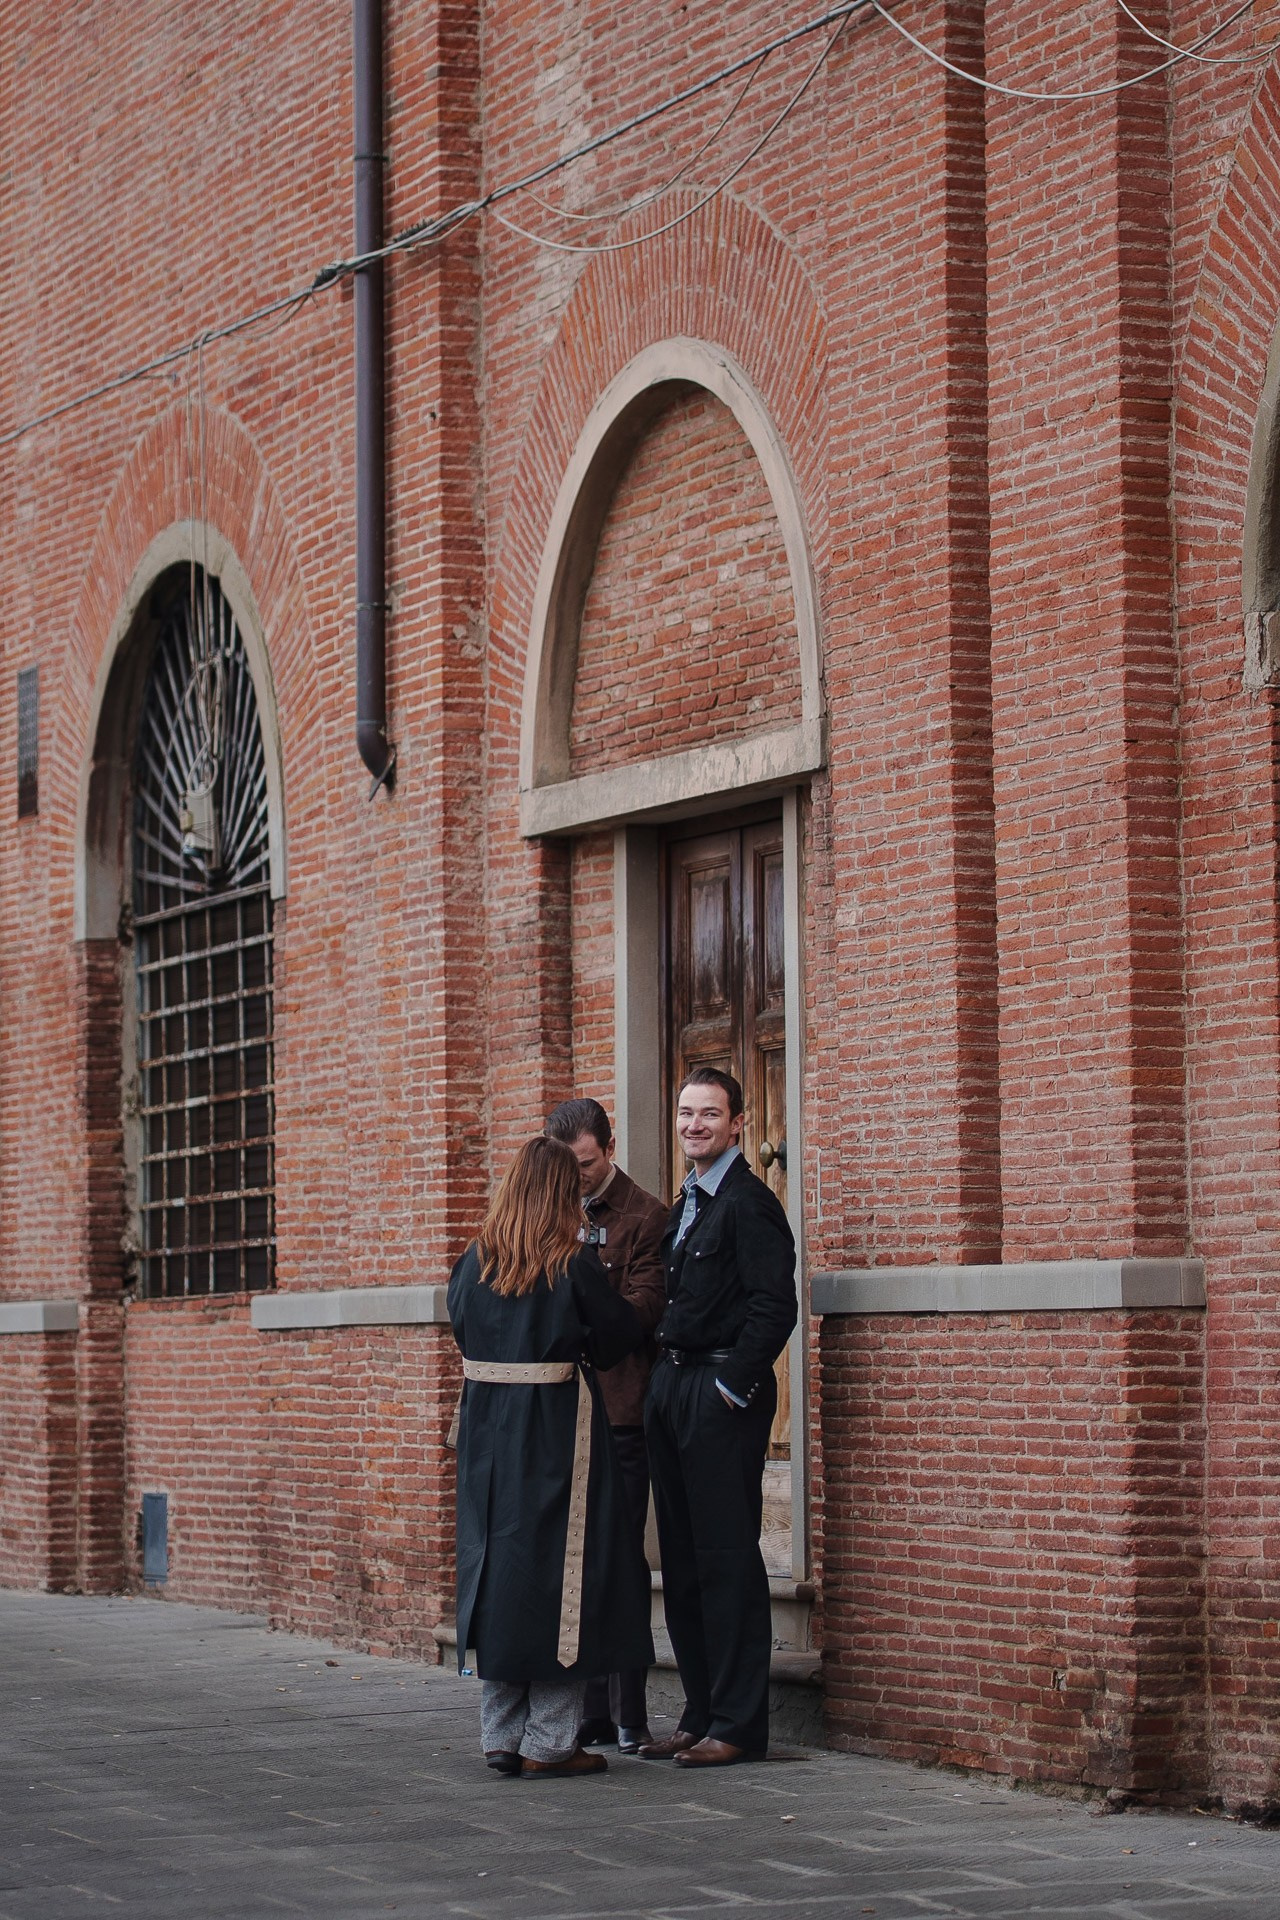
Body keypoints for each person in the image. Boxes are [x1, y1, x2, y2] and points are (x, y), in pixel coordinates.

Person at [448, 1136, 654, 1779]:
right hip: (556, 1429)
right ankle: (549, 1743)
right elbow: (618, 1335)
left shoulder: (473, 1260)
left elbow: (460, 1327)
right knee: (569, 1574)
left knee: (500, 1569)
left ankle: (500, 1737)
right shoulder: (571, 1263)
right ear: (562, 1194)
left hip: (486, 1429)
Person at [640, 1067, 797, 1768]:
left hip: (718, 1394)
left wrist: (729, 1390)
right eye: (685, 1114)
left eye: (709, 1114)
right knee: (681, 1560)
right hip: (673, 1390)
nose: (694, 1125)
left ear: (738, 1125)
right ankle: (699, 1712)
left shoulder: (748, 1203)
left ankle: (737, 1724)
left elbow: (775, 1308)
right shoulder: (688, 1204)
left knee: (726, 1560)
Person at [544, 1097, 667, 1754]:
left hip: (619, 1415)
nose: (578, 1179)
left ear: (608, 1149)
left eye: (586, 1165)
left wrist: (583, 1310)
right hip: (559, 1419)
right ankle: (584, 1712)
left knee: (622, 1567)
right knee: (573, 1571)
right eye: (567, 1167)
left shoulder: (646, 1215)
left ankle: (632, 1714)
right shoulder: (547, 1214)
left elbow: (646, 1307)